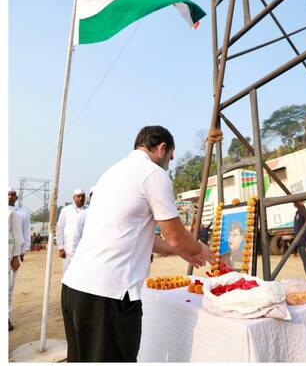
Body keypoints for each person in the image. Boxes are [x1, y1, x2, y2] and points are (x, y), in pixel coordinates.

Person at [61, 126, 214, 362]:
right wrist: (199, 249)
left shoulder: (111, 173)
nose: (168, 165)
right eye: (170, 158)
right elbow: (174, 234)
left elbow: (144, 237)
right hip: (108, 296)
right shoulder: (153, 173)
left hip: (75, 289)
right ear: (162, 148)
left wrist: (181, 251)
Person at [56, 189, 86, 271]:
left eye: (82, 196)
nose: (80, 198)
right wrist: (60, 248)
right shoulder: (65, 210)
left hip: (83, 249)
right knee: (67, 274)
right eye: (78, 196)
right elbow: (60, 229)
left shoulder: (88, 211)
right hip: (68, 249)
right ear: (73, 198)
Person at [8, 195, 23, 332]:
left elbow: (16, 236)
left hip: (6, 256)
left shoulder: (11, 213)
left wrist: (15, 256)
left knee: (6, 289)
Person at [71, 187, 95, 256]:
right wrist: (74, 255)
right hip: (85, 252)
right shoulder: (83, 214)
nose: (80, 198)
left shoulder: (107, 213)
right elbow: (77, 236)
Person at [8, 189, 31, 260]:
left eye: (12, 194)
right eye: (8, 194)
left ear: (16, 198)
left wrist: (23, 250)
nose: (10, 197)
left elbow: (26, 231)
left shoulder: (22, 213)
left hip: (16, 247)